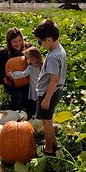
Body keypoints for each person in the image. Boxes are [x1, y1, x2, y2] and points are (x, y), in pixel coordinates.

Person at [33, 19, 67, 156]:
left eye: (40, 42)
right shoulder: (59, 49)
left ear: (48, 39)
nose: (40, 45)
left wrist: (46, 99)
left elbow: (54, 79)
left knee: (46, 122)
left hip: (49, 93)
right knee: (48, 120)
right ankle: (53, 143)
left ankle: (48, 149)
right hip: (56, 91)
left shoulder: (53, 57)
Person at [0, 27, 31, 110]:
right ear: (9, 42)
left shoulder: (29, 48)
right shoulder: (4, 53)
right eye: (15, 42)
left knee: (32, 99)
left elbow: (38, 63)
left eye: (19, 40)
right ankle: (15, 110)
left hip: (29, 82)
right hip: (13, 84)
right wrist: (4, 79)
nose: (18, 43)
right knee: (18, 96)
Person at [7, 47, 43, 117]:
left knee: (34, 101)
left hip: (35, 86)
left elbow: (23, 74)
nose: (26, 60)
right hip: (42, 86)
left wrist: (13, 74)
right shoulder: (42, 65)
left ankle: (34, 113)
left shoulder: (31, 67)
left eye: (27, 58)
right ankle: (40, 114)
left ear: (33, 58)